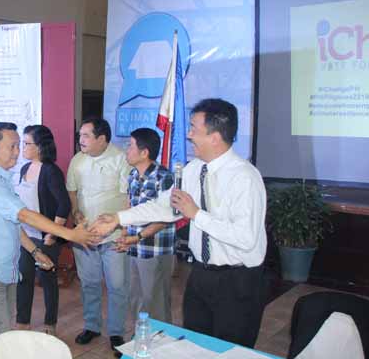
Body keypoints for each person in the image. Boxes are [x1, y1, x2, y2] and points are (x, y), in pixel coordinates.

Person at [92, 99, 267, 348]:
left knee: (230, 349)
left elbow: (245, 238)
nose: (188, 135)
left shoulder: (244, 177)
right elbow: (165, 206)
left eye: (194, 128)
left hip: (238, 279)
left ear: (215, 137)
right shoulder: (194, 169)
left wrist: (196, 214)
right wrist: (119, 218)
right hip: (201, 274)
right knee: (197, 345)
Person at [0, 122, 98, 359]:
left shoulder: (2, 178)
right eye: (13, 146)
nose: (17, 151)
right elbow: (24, 215)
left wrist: (35, 251)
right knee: (0, 334)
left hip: (1, 269)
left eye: (19, 145)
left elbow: (12, 223)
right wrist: (70, 234)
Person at [66, 118, 131, 356]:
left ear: (102, 139)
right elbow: (72, 190)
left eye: (86, 136)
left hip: (114, 236)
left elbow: (129, 198)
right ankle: (92, 326)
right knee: (89, 283)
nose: (80, 140)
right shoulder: (77, 160)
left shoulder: (121, 159)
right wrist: (75, 211)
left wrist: (125, 230)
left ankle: (116, 332)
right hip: (84, 236)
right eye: (80, 135)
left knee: (117, 286)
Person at [115, 128, 175, 323]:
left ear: (144, 152)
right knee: (136, 299)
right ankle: (141, 335)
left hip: (155, 250)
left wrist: (138, 237)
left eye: (130, 146)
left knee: (156, 302)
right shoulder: (133, 174)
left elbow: (166, 217)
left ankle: (161, 339)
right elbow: (130, 206)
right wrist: (125, 235)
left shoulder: (164, 177)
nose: (127, 150)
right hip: (134, 248)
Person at [15, 125, 70, 336]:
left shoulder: (50, 171)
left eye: (27, 143)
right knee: (24, 278)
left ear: (39, 146)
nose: (23, 148)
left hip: (46, 238)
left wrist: (52, 234)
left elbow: (64, 204)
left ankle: (50, 323)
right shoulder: (24, 169)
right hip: (26, 236)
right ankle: (22, 322)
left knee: (48, 281)